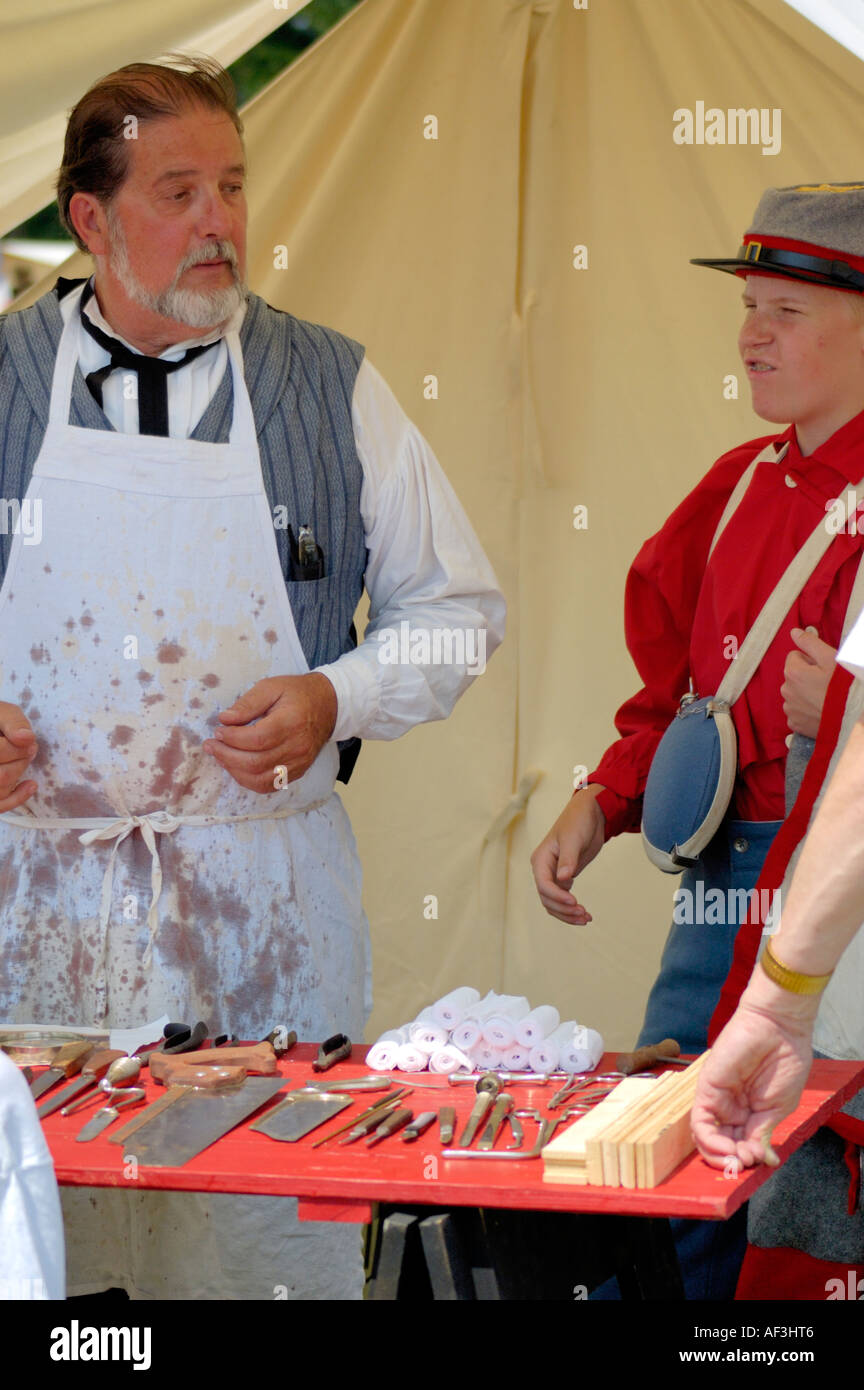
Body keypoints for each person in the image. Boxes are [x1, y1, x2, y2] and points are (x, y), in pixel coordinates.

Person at [0, 54, 504, 1299]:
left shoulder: (331, 385)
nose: (219, 219)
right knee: (52, 1262)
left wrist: (344, 696)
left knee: (261, 1253)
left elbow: (462, 612)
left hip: (264, 921)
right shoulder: (4, 381)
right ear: (90, 219)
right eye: (178, 191)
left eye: (232, 185)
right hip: (30, 926)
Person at [531, 182, 864, 1298]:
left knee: (803, 1185)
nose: (753, 334)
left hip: (841, 903)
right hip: (719, 880)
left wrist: (844, 722)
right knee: (669, 1145)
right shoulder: (735, 486)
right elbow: (677, 691)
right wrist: (604, 798)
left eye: (790, 311)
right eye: (751, 305)